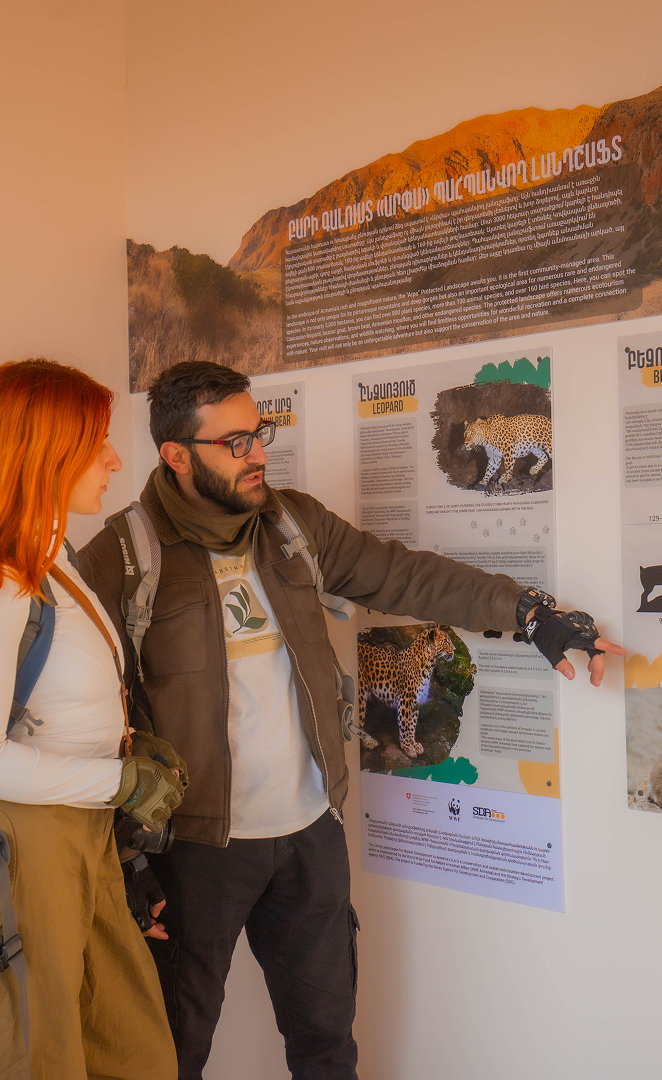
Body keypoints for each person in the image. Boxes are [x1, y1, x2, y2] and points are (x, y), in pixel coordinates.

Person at [78, 360, 625, 1080]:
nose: (257, 453)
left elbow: (405, 574)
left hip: (310, 835)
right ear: (177, 456)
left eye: (259, 433)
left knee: (328, 1049)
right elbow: (81, 720)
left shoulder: (291, 525)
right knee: (170, 1056)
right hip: (193, 850)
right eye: (235, 443)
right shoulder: (121, 558)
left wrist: (529, 612)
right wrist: (122, 861)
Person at [0, 359, 184, 1080]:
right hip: (15, 851)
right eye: (97, 444)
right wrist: (121, 783)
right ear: (47, 455)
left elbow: (60, 704)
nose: (115, 460)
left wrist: (126, 755)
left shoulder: (54, 561)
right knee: (30, 1063)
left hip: (77, 839)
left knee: (133, 1054)